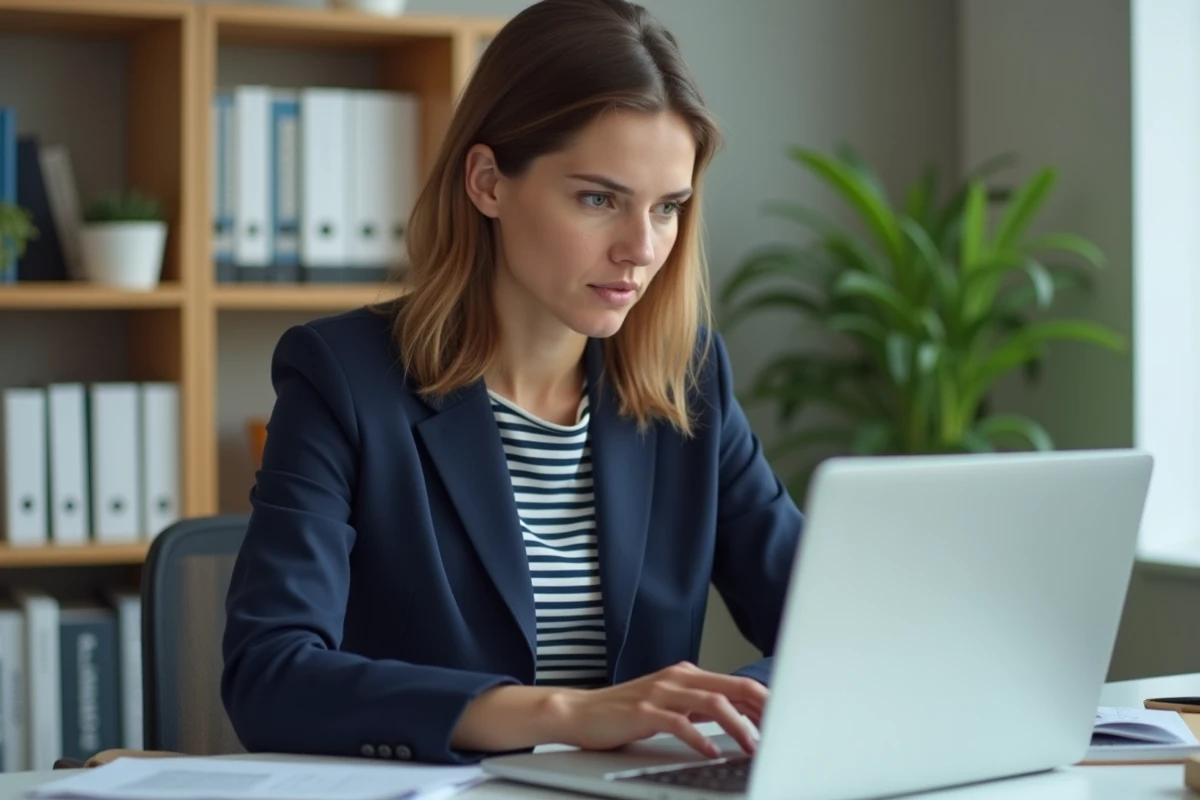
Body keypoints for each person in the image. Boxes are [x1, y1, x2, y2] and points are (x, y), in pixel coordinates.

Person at [220, 0, 803, 767]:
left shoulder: (688, 382)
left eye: (667, 208)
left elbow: (835, 629)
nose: (641, 248)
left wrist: (731, 705)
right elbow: (270, 676)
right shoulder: (344, 378)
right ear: (488, 182)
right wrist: (566, 714)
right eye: (599, 199)